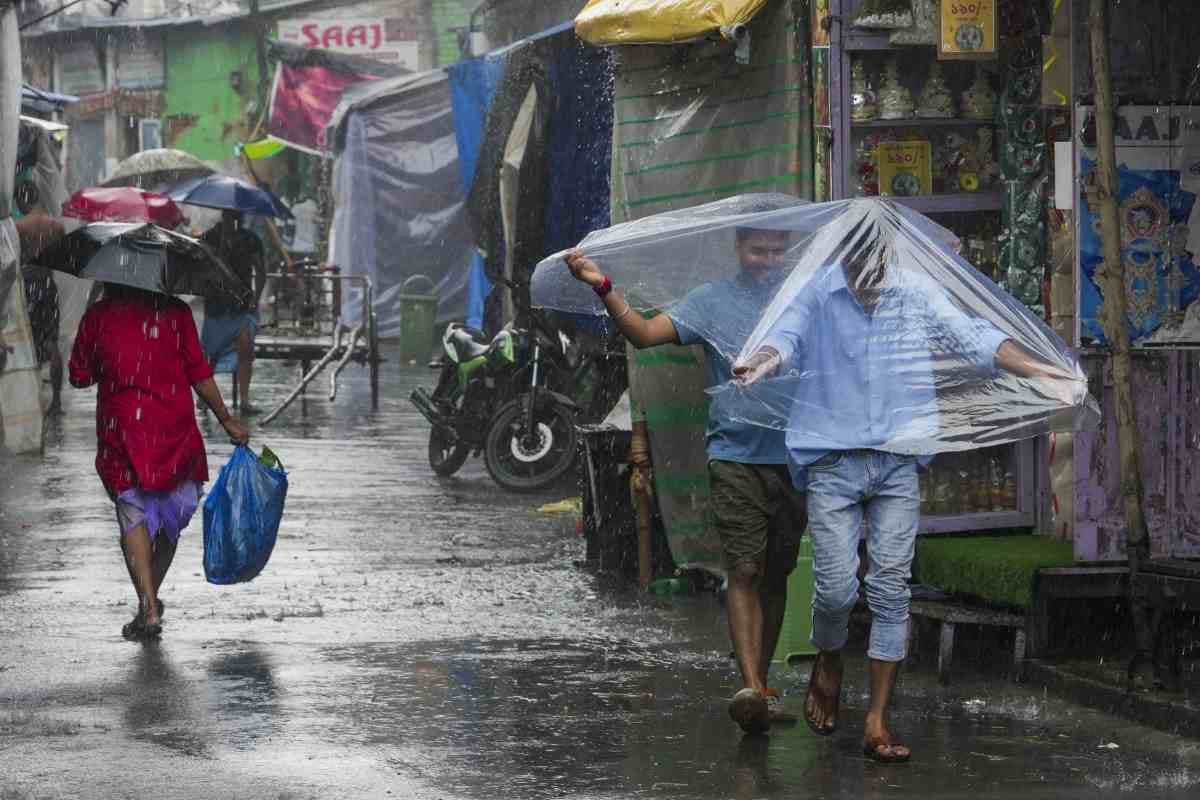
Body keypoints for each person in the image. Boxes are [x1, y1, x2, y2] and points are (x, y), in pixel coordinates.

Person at [736, 235, 1083, 762]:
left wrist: (1045, 372)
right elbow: (781, 338)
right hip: (834, 458)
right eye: (858, 262)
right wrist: (760, 361)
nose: (868, 274)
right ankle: (829, 660)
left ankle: (878, 717)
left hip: (899, 458)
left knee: (892, 585)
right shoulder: (815, 292)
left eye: (877, 262)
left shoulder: (914, 291)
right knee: (835, 591)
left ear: (888, 256)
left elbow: (975, 337)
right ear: (844, 255)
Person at [564, 225, 807, 735]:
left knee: (776, 573)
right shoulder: (713, 301)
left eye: (777, 249)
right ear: (738, 249)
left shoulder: (802, 297)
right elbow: (645, 335)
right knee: (744, 566)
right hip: (736, 454)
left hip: (797, 457)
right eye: (757, 248)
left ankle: (762, 686)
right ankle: (750, 687)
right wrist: (602, 285)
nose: (767, 258)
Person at [69, 283, 249, 640]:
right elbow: (199, 373)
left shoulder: (99, 316)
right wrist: (226, 418)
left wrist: (96, 319)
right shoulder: (176, 312)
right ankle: (148, 600)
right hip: (173, 429)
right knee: (169, 519)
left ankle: (148, 607)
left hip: (121, 430)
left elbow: (79, 377)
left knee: (131, 512)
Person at [199, 210, 266, 413]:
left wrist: (256, 298)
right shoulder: (209, 237)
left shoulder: (250, 239)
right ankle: (204, 399)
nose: (232, 219)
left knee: (245, 349)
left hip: (242, 306)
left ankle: (244, 400)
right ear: (223, 216)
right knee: (212, 355)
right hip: (216, 305)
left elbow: (261, 271)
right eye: (229, 216)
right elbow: (199, 268)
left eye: (235, 216)